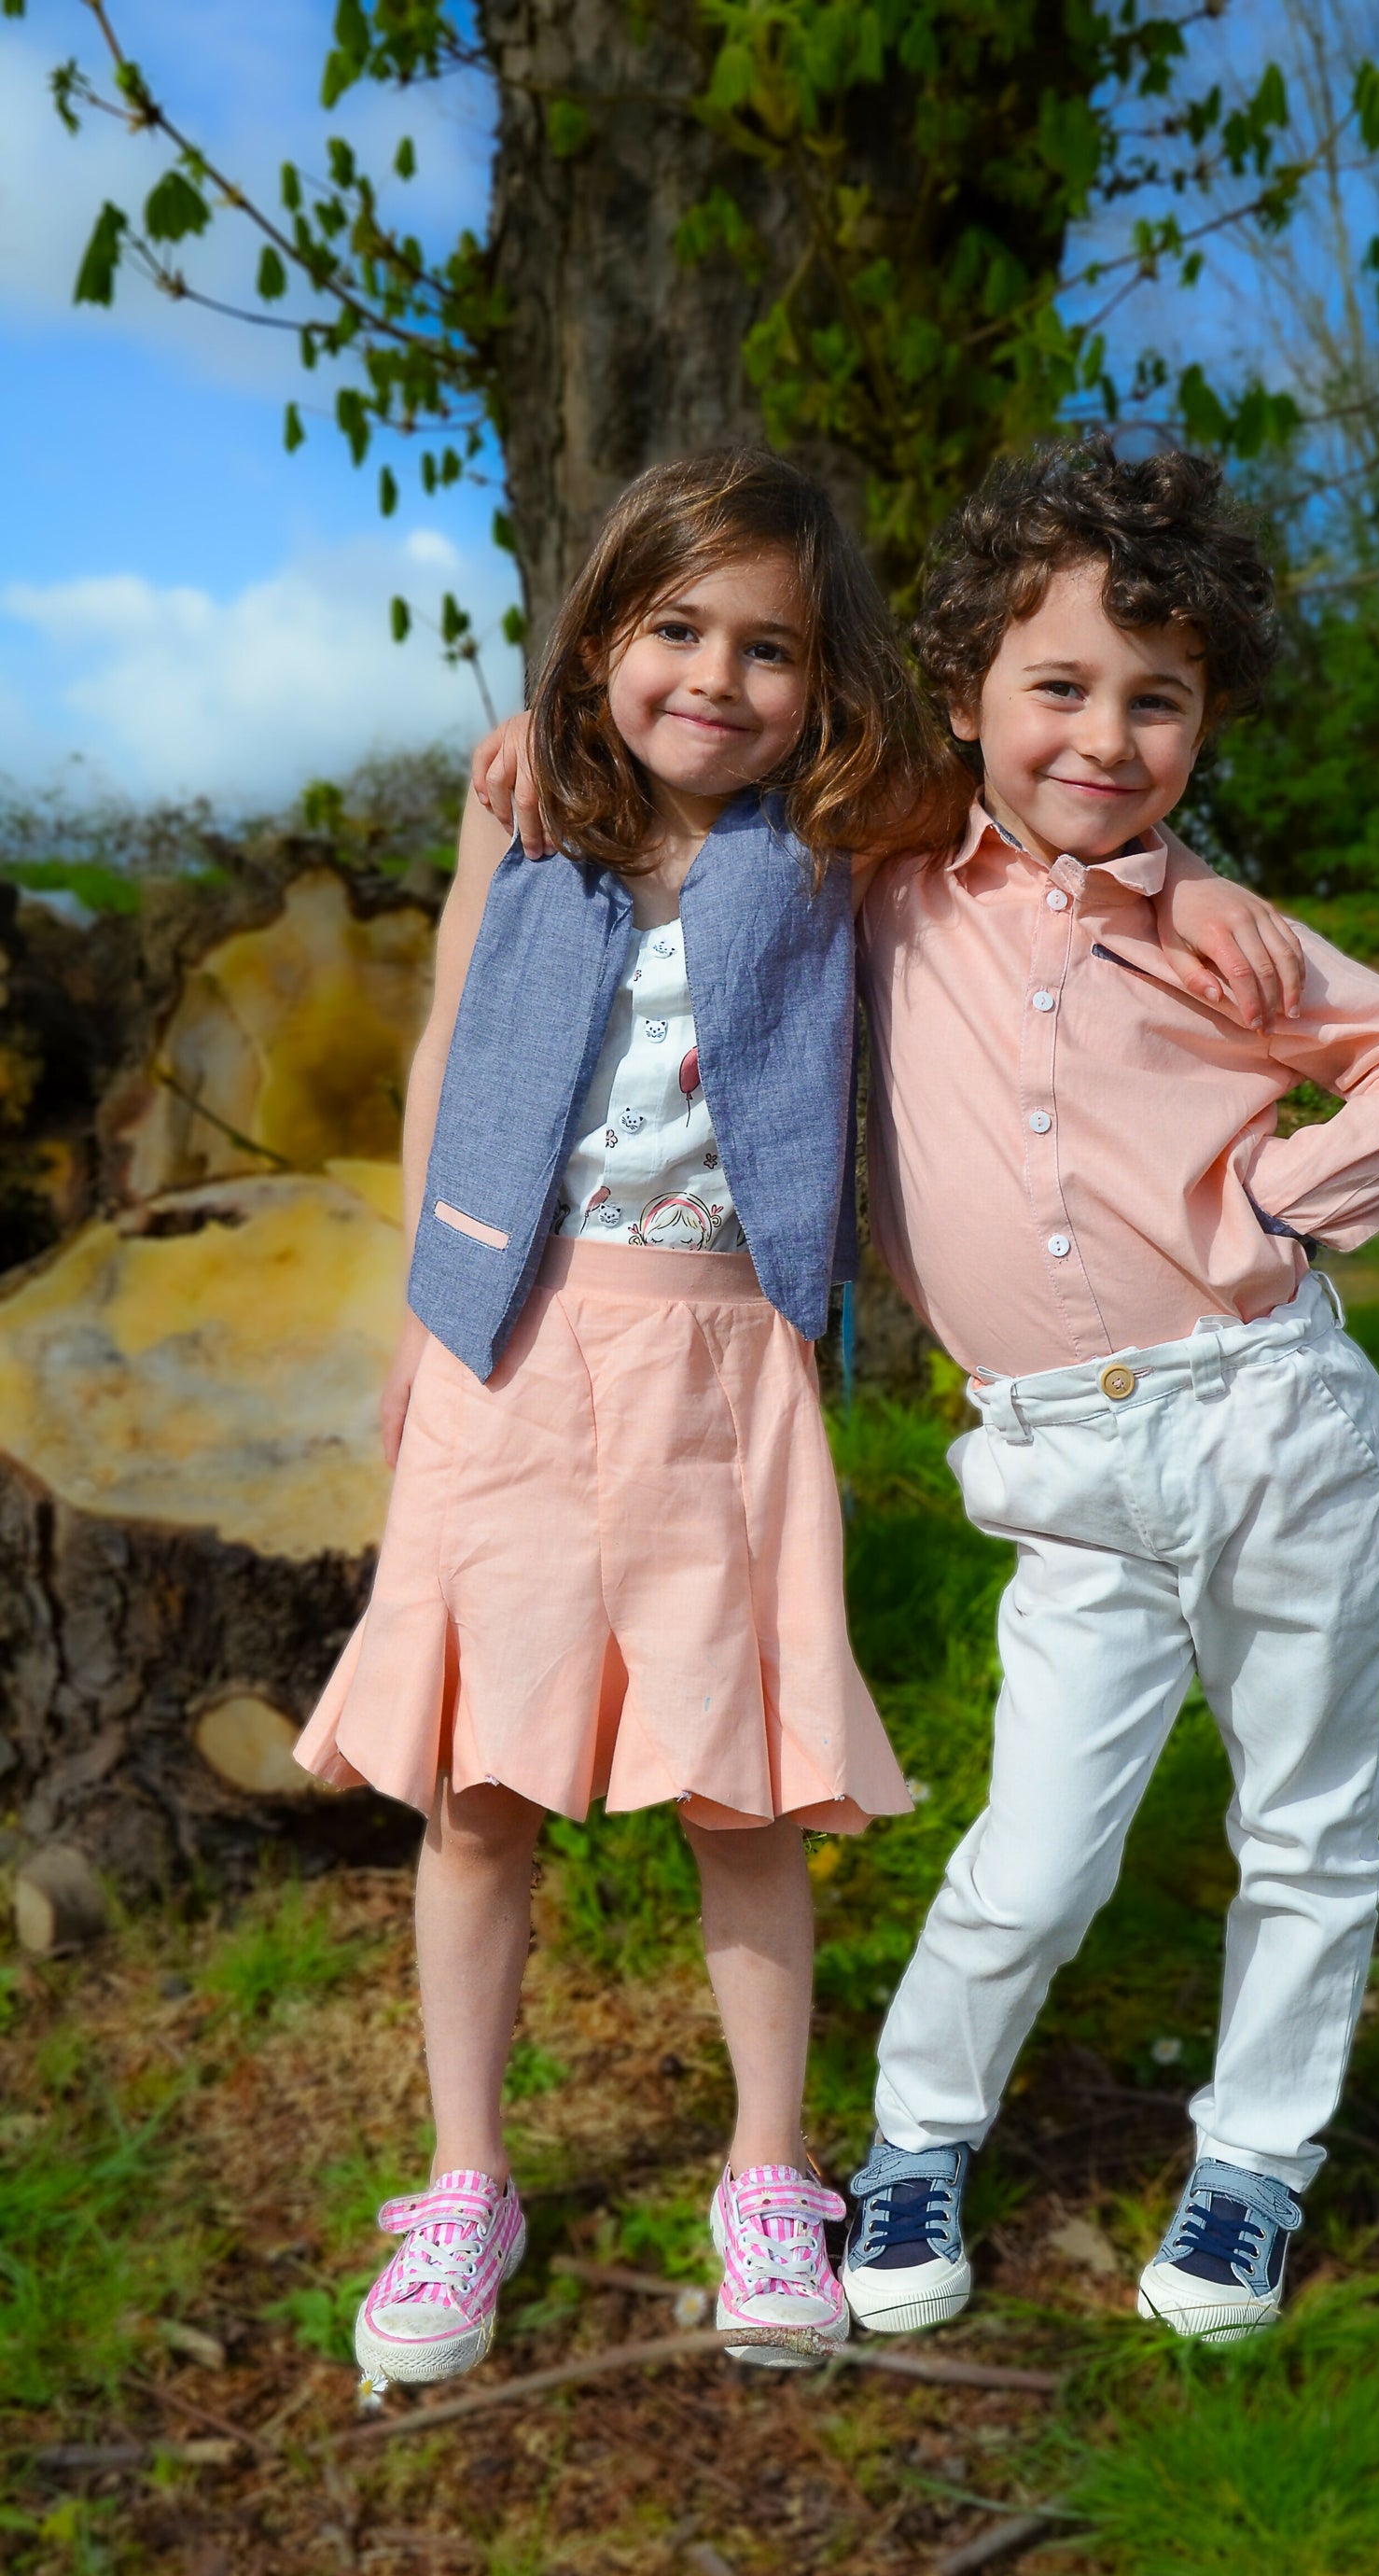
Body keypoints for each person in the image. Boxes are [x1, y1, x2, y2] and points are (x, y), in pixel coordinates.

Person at [475, 439, 1379, 2350]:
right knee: (1031, 1844)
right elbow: (705, 762)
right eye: (1057, 684)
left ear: (1204, 723)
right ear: (964, 692)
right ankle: (922, 2129)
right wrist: (548, 761)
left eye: (1156, 698)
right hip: (1062, 1464)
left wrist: (1275, 1197)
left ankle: (1252, 2163)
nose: (1101, 736)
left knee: (1303, 1822)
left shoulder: (1221, 933)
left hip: (1273, 1417)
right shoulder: (883, 870)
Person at [296, 448, 967, 2386]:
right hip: (511, 1346)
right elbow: (445, 1044)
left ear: (823, 686)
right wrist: (427, 1316)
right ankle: (465, 2174)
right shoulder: (525, 813)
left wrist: (838, 707)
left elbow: (942, 763)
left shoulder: (830, 830)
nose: (714, 678)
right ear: (594, 637)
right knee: (476, 1792)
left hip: (722, 1367)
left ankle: (768, 2164)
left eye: (770, 647)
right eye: (671, 628)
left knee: (742, 1779)